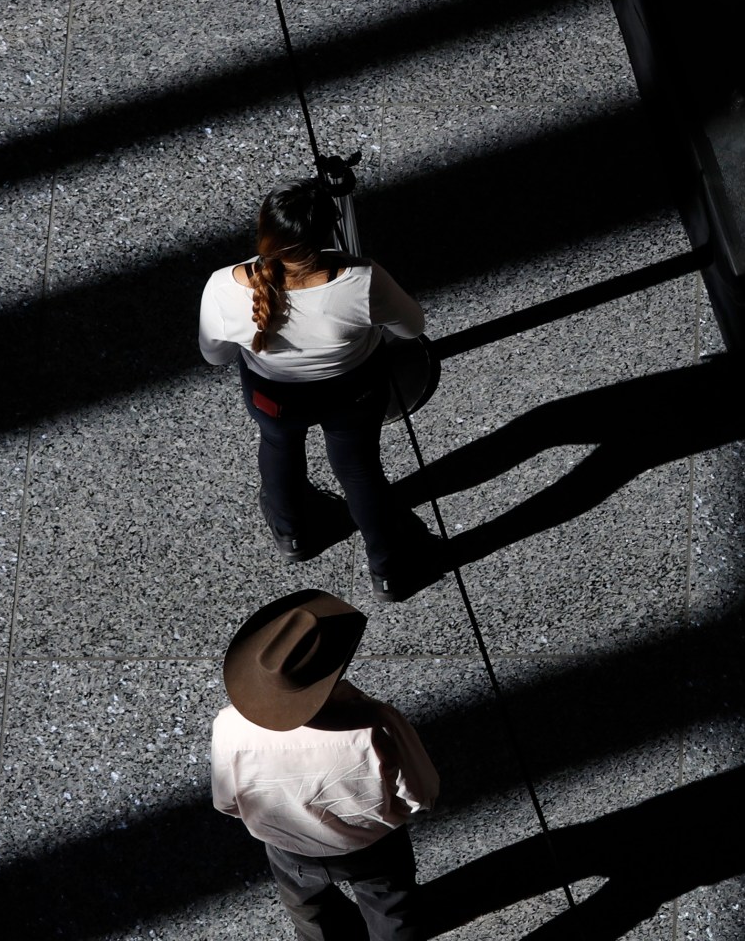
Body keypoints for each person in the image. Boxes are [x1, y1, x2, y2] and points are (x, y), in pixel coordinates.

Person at [199, 181, 436, 602]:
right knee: (360, 472)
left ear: (264, 231)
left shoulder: (223, 286)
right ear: (329, 234)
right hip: (354, 392)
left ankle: (292, 536)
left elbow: (214, 357)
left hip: (273, 396)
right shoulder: (362, 280)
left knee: (278, 446)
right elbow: (412, 328)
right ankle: (388, 573)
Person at [213, 590, 439, 941]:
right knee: (392, 910)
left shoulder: (228, 725)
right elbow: (420, 793)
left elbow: (226, 802)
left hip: (288, 849)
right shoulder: (373, 723)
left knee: (311, 914)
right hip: (371, 845)